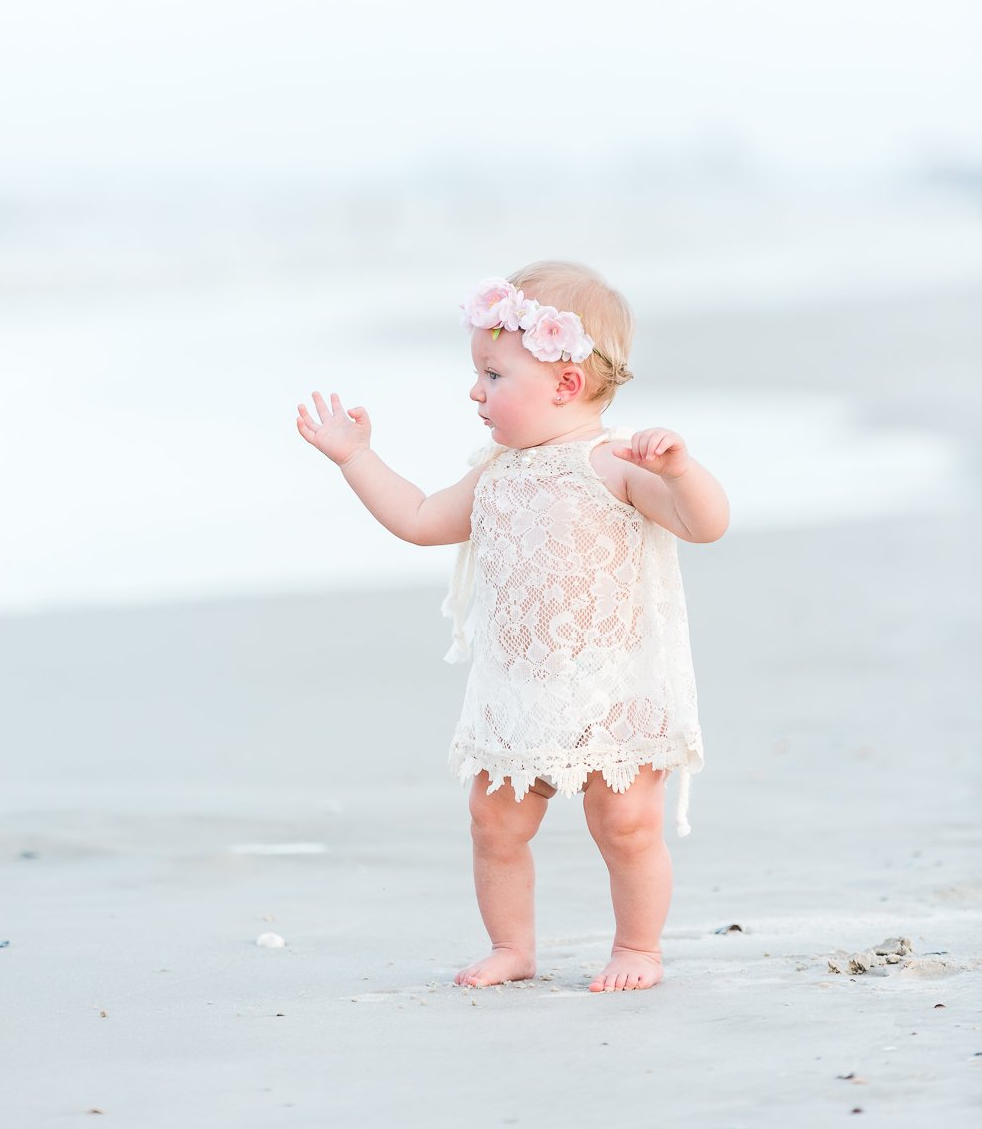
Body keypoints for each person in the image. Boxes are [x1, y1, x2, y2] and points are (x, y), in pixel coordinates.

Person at [296, 260, 729, 992]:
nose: (474, 390)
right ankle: (512, 947)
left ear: (564, 383)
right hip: (518, 687)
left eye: (493, 375)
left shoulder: (612, 463)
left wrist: (682, 471)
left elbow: (704, 525)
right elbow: (420, 519)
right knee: (494, 825)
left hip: (616, 687)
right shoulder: (495, 471)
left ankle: (637, 949)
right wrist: (357, 458)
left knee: (626, 825)